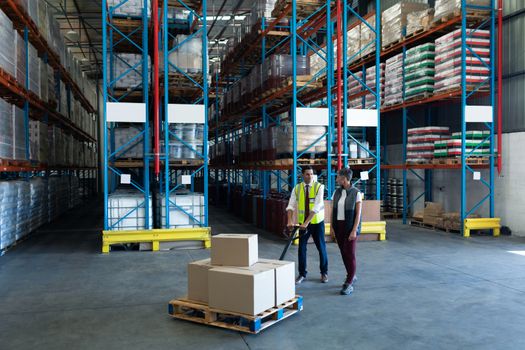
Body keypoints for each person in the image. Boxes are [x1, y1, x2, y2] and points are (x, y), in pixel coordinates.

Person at [286, 166, 328, 285]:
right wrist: (289, 220)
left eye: (311, 174)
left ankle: (324, 272)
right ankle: (302, 274)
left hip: (317, 223)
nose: (310, 176)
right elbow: (291, 205)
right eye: (307, 174)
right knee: (301, 249)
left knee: (321, 248)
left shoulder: (319, 187)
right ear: (302, 175)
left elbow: (316, 206)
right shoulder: (297, 188)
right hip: (302, 224)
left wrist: (306, 223)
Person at [330, 167, 362, 295]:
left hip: (350, 227)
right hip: (339, 227)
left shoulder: (356, 193)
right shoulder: (336, 192)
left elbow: (358, 214)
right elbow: (333, 210)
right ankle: (351, 275)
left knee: (350, 253)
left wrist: (354, 230)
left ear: (344, 179)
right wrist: (332, 227)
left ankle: (349, 283)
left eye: (338, 177)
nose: (336, 178)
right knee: (343, 253)